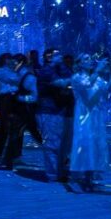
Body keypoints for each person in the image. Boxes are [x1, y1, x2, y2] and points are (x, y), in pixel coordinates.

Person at [69, 56, 110, 191]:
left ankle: (91, 176)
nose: (90, 61)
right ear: (79, 63)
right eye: (86, 60)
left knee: (96, 143)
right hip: (83, 114)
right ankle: (81, 177)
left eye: (90, 59)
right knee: (84, 143)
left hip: (96, 114)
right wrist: (98, 70)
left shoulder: (97, 78)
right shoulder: (76, 77)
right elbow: (87, 85)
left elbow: (108, 87)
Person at [36, 49, 73, 182]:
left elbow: (69, 76)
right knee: (51, 144)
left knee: (61, 144)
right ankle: (52, 175)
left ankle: (60, 172)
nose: (60, 57)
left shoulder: (59, 69)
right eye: (56, 55)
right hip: (48, 111)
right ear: (48, 57)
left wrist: (62, 65)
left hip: (59, 111)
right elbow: (62, 83)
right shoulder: (46, 71)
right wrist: (79, 79)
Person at [0, 54, 38, 171]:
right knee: (15, 134)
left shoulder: (28, 77)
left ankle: (9, 160)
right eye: (11, 62)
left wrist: (20, 98)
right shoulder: (18, 75)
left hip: (26, 110)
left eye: (14, 62)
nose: (12, 64)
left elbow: (35, 96)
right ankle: (9, 160)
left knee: (35, 134)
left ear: (21, 63)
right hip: (19, 109)